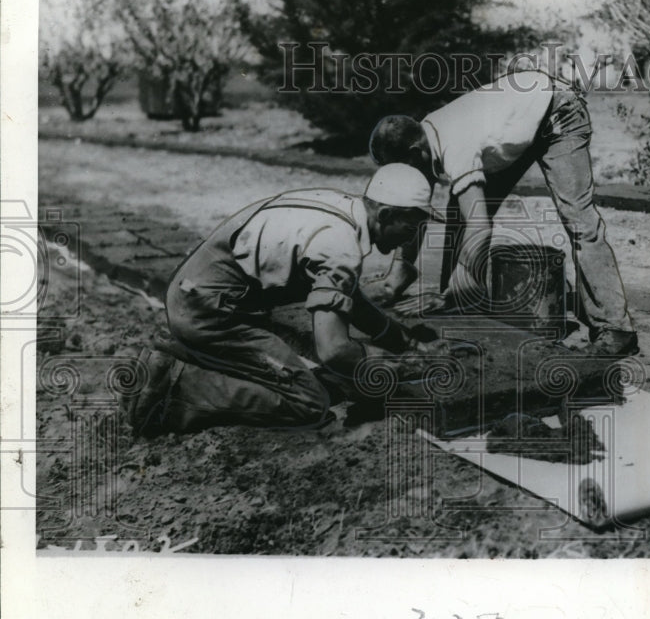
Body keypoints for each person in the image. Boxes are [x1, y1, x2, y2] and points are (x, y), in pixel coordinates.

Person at [123, 164, 444, 437]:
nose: (412, 237)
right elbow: (333, 350)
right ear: (386, 214)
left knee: (312, 373)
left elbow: (350, 299)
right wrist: (391, 366)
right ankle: (172, 396)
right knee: (309, 401)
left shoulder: (342, 206)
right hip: (212, 315)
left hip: (193, 295)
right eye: (412, 226)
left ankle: (180, 352)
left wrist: (399, 338)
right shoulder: (341, 246)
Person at [367, 69, 638, 356]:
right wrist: (397, 276)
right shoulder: (423, 139)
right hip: (520, 117)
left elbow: (480, 225)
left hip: (559, 110)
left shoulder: (453, 144)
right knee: (459, 212)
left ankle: (615, 328)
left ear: (415, 152)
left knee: (579, 221)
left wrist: (458, 286)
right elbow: (414, 208)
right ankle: (460, 303)